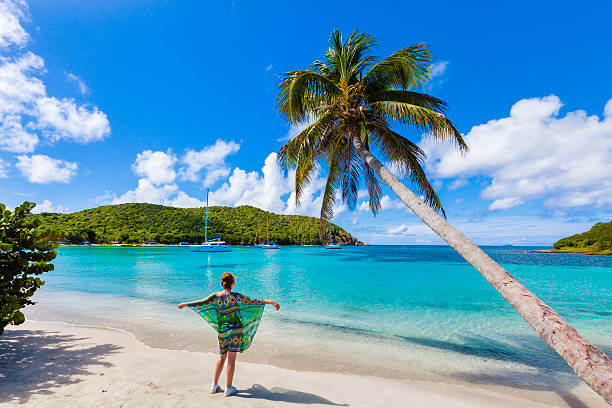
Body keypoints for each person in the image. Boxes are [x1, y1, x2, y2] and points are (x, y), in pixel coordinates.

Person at [177, 272, 280, 397]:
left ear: (222, 283)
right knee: (231, 360)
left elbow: (201, 303)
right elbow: (253, 301)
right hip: (235, 333)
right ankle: (228, 388)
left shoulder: (216, 296)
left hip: (222, 333)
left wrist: (185, 304)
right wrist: (270, 302)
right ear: (232, 284)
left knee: (221, 358)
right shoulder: (236, 296)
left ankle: (214, 386)